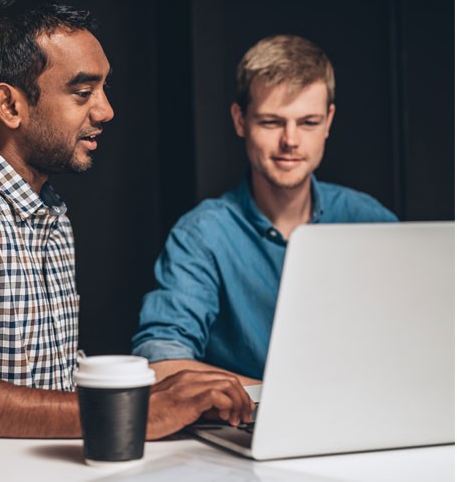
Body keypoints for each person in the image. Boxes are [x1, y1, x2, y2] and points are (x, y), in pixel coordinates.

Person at [0, 0, 254, 441]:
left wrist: (169, 401)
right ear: (10, 106)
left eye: (103, 90)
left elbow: (44, 381)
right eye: (83, 93)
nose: (106, 111)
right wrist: (129, 414)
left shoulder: (47, 211)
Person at [132, 34, 398, 385]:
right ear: (240, 120)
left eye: (308, 122)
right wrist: (276, 399)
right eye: (272, 122)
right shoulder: (202, 234)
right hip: (252, 425)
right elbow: (162, 360)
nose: (290, 141)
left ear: (329, 121)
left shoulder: (371, 221)